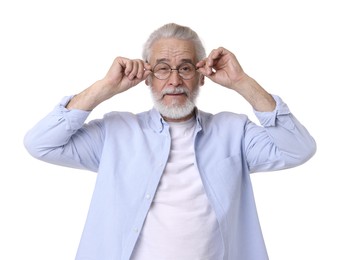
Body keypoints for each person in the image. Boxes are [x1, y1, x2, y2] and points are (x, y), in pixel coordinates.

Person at [24, 23, 316, 260]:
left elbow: (299, 149)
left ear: (201, 77)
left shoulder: (233, 131)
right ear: (148, 77)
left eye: (185, 68)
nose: (174, 81)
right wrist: (104, 88)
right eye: (163, 68)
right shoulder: (115, 132)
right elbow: (41, 144)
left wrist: (242, 82)